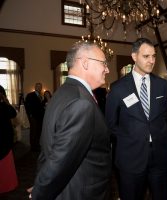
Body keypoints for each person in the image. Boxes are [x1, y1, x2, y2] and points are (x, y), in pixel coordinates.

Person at [29, 41, 111, 200]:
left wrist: (40, 182)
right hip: (81, 192)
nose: (107, 69)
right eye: (104, 63)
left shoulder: (62, 92)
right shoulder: (81, 102)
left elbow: (49, 149)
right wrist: (39, 192)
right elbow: (60, 158)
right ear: (85, 63)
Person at [105, 38, 167, 200]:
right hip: (130, 158)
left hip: (160, 157)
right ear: (134, 56)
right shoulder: (118, 88)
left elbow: (165, 117)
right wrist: (129, 137)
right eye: (146, 56)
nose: (151, 61)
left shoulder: (162, 85)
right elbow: (110, 124)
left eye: (154, 56)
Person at [0, 85, 18, 193]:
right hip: (4, 139)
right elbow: (13, 113)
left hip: (4, 138)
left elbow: (13, 113)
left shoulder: (4, 106)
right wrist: (6, 102)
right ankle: (6, 185)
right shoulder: (4, 106)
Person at [25, 82, 44, 151]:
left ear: (41, 88)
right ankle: (32, 146)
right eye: (37, 86)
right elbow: (27, 106)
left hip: (40, 117)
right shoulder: (30, 95)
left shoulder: (41, 96)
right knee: (33, 131)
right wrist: (30, 115)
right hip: (33, 117)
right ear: (35, 87)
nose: (39, 87)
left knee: (39, 131)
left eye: (40, 86)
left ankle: (37, 144)